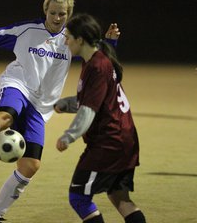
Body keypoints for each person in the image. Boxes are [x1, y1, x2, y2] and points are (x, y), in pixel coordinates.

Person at [0, 0, 119, 223]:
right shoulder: (27, 30)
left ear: (69, 14)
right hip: (17, 85)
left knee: (31, 165)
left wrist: (111, 42)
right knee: (5, 117)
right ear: (45, 10)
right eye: (52, 12)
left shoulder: (72, 40)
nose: (56, 18)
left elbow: (98, 59)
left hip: (40, 107)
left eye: (62, 14)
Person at [54, 13, 146, 223]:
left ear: (80, 40)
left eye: (68, 36)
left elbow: (89, 110)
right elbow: (96, 99)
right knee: (119, 197)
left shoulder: (96, 66)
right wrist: (65, 104)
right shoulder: (97, 59)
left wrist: (68, 136)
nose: (65, 41)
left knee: (78, 197)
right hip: (125, 140)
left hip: (109, 143)